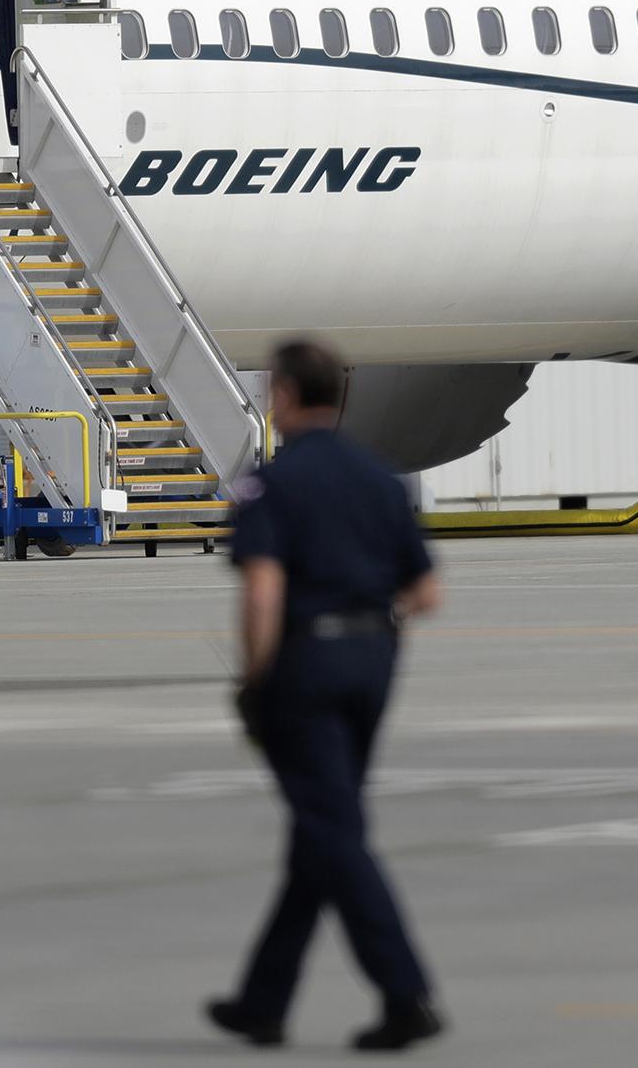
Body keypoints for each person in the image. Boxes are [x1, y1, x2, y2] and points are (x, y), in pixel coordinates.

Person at [205, 339, 445, 1053]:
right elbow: (427, 593)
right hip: (375, 657)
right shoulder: (380, 479)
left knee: (333, 832)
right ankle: (262, 1001)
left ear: (281, 395)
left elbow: (263, 587)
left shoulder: (274, 483)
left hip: (306, 661)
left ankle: (406, 994)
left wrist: (255, 678)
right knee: (325, 824)